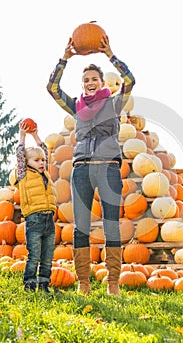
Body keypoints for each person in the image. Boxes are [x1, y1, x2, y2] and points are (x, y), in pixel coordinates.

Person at [47, 35, 135, 296]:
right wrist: (64, 59)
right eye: (86, 80)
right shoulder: (76, 107)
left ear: (101, 82)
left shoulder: (113, 103)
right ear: (83, 85)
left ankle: (113, 284)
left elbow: (130, 81)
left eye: (94, 79)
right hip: (82, 170)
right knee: (81, 227)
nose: (90, 83)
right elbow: (52, 88)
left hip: (108, 167)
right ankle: (83, 283)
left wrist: (111, 55)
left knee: (111, 225)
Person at [15, 123, 57, 293]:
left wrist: (37, 136)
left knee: (47, 256)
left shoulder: (44, 173)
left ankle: (44, 284)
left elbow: (44, 151)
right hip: (34, 220)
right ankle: (30, 284)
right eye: (37, 160)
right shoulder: (23, 174)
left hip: (49, 220)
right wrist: (23, 136)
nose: (41, 163)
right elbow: (20, 154)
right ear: (27, 162)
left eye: (43, 161)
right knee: (34, 256)